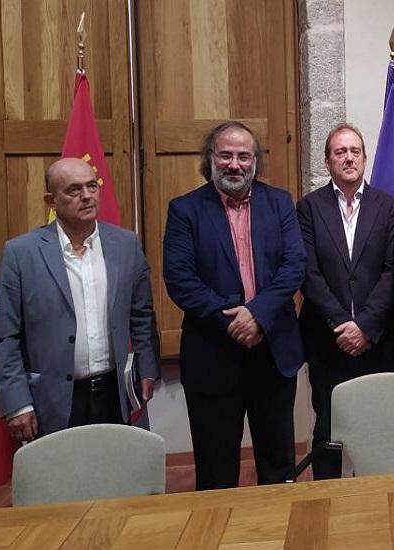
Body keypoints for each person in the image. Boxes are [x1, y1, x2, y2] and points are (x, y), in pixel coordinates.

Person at [163, 121, 305, 490]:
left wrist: (257, 314)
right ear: (210, 158)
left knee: (278, 465)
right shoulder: (184, 210)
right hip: (213, 354)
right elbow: (180, 280)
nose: (235, 164)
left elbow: (294, 267)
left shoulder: (280, 203)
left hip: (272, 351)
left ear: (256, 160)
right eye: (225, 155)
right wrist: (233, 320)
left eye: (244, 156)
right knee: (216, 468)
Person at [0, 157, 159, 442]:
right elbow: (5, 339)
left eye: (92, 186)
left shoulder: (126, 245)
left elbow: (142, 316)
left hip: (114, 394)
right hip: (52, 401)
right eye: (73, 190)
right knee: (61, 484)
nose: (86, 196)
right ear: (50, 200)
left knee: (118, 481)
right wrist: (17, 403)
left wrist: (148, 369)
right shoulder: (21, 254)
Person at [297, 123, 394, 479]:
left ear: (365, 158)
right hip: (328, 339)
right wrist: (343, 324)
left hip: (378, 340)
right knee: (328, 427)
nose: (349, 157)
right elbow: (307, 272)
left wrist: (366, 326)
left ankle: (374, 497)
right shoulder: (309, 208)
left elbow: (393, 270)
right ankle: (326, 501)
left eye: (355, 150)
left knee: (377, 426)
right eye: (340, 152)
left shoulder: (388, 207)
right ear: (327, 161)